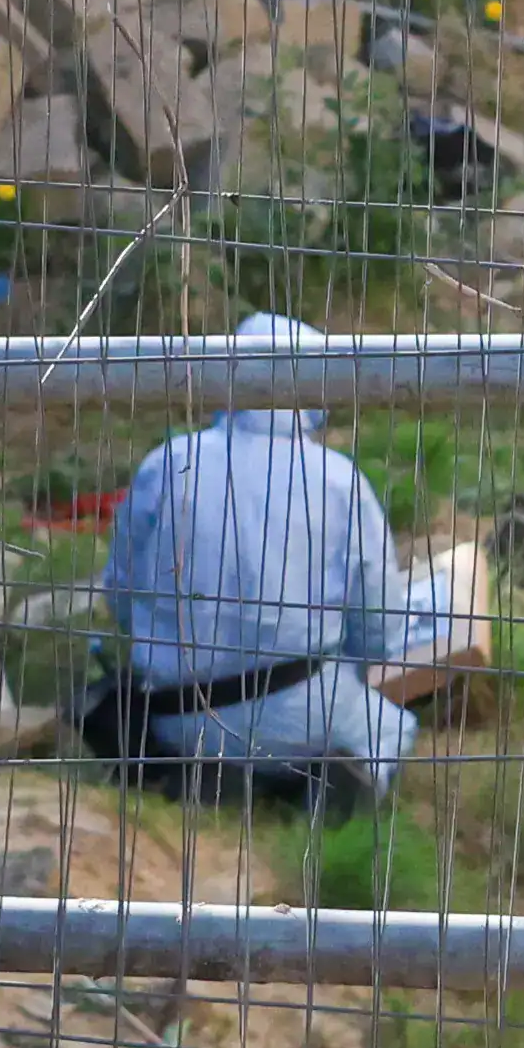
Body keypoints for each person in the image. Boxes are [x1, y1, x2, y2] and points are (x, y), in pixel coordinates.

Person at [79, 312, 420, 819]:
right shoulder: (339, 482)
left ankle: (203, 776)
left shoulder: (168, 464)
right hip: (307, 715)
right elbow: (377, 629)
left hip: (178, 713)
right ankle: (322, 792)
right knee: (393, 727)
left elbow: (122, 595)